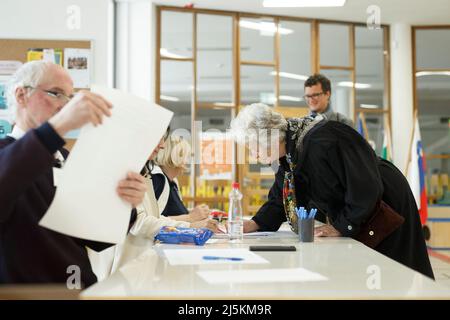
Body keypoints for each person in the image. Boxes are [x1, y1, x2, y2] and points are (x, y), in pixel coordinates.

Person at [230, 103, 434, 279]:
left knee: (394, 272)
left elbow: (364, 187)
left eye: (252, 147)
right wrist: (255, 223)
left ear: (270, 138)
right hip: (365, 203)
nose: (253, 155)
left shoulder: (324, 139)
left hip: (384, 200)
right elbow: (281, 199)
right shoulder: (288, 154)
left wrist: (343, 226)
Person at [0, 61, 147, 287]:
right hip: (31, 292)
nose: (65, 105)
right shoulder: (6, 153)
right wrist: (56, 129)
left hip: (80, 287)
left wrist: (126, 202)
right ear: (22, 95)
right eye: (56, 93)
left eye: (70, 97)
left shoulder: (66, 158)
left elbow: (96, 239)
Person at [89, 133, 218, 280]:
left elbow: (154, 217)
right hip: (122, 267)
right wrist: (190, 225)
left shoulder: (146, 174)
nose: (162, 145)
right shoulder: (130, 174)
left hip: (138, 266)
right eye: (158, 138)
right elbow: (140, 222)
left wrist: (190, 225)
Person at [152, 134, 219, 231]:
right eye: (185, 155)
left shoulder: (173, 182)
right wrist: (191, 217)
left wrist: (198, 213)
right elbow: (152, 219)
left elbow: (173, 213)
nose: (187, 160)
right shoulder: (158, 179)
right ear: (175, 156)